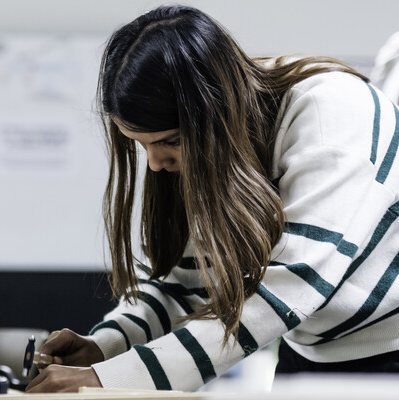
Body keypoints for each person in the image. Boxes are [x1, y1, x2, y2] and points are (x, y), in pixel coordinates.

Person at [25, 5, 399, 393]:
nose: (154, 164)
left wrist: (109, 378)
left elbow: (290, 287)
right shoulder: (217, 146)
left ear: (216, 115)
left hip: (386, 359)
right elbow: (181, 285)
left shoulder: (333, 113)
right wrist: (104, 348)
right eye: (142, 146)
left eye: (169, 141)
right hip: (305, 355)